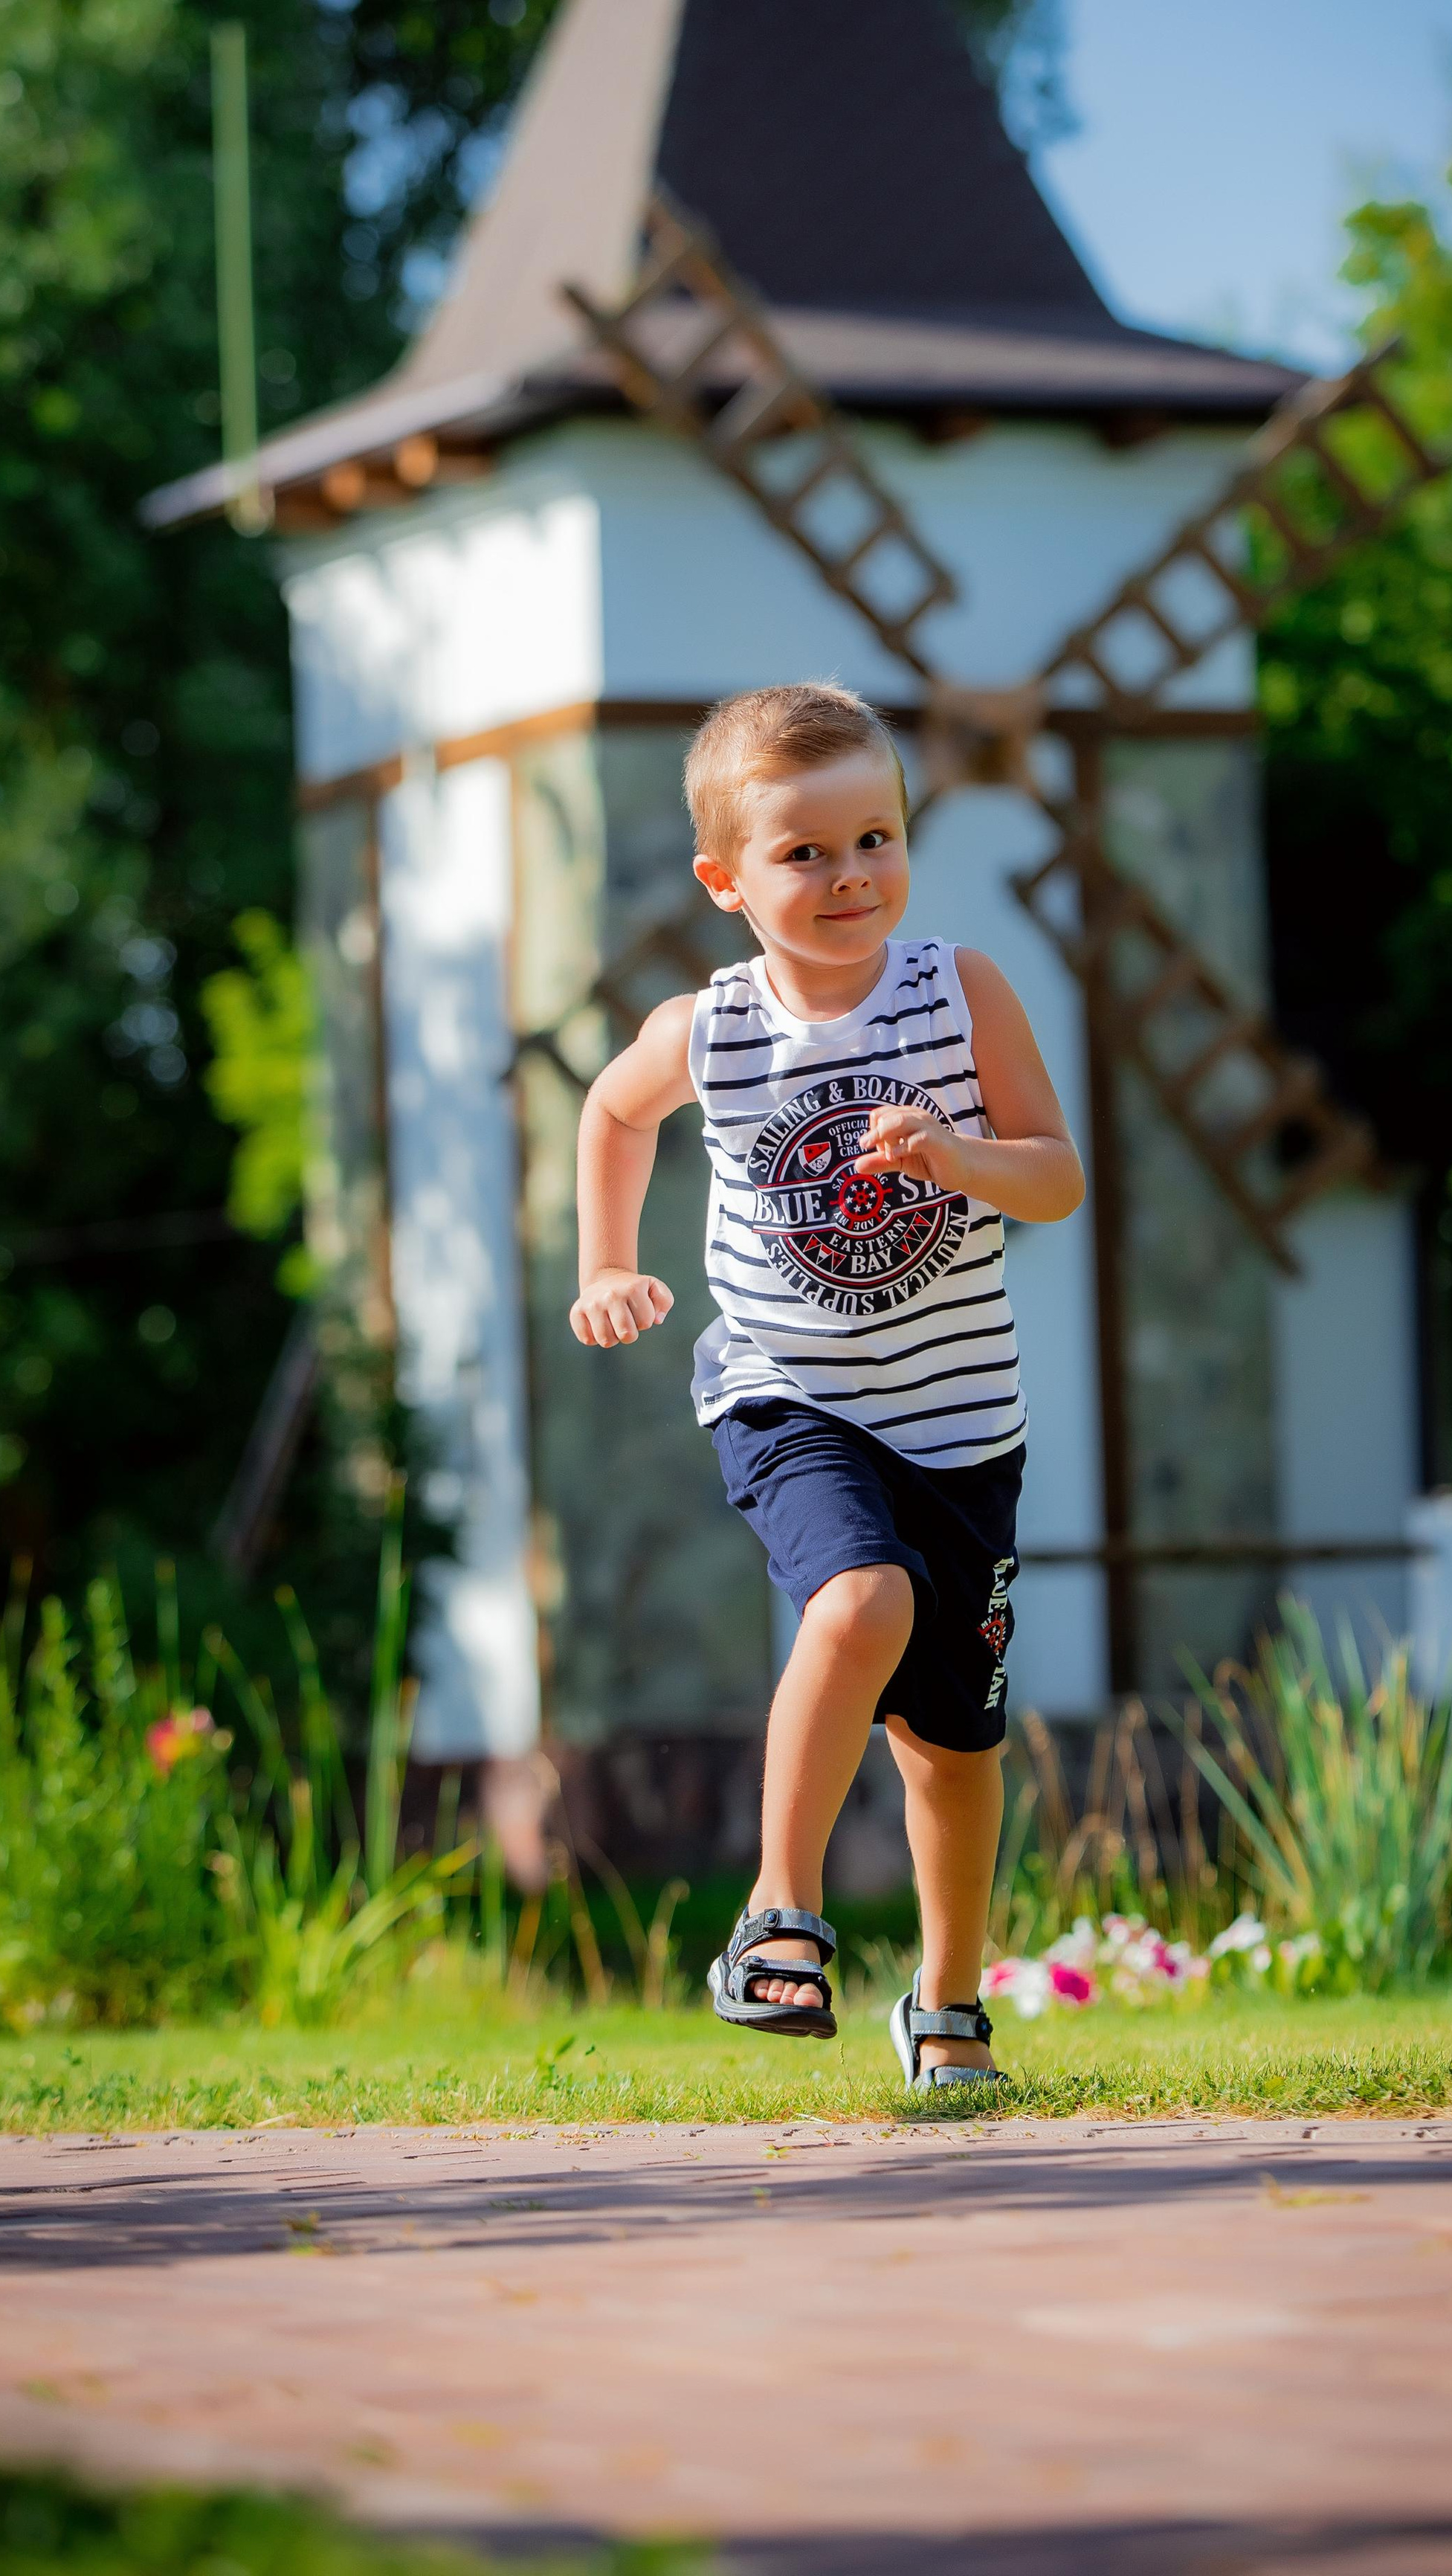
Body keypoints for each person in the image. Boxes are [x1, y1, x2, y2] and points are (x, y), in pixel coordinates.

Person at [568, 683, 1084, 2092]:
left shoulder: (961, 991)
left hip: (963, 1424)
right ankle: (775, 1916)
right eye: (804, 854)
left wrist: (967, 1160)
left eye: (877, 838)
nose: (851, 875)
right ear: (727, 881)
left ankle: (950, 2000)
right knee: (861, 1598)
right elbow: (611, 1110)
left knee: (947, 1746)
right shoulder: (710, 1026)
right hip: (789, 1394)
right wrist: (603, 1263)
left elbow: (1058, 1172)